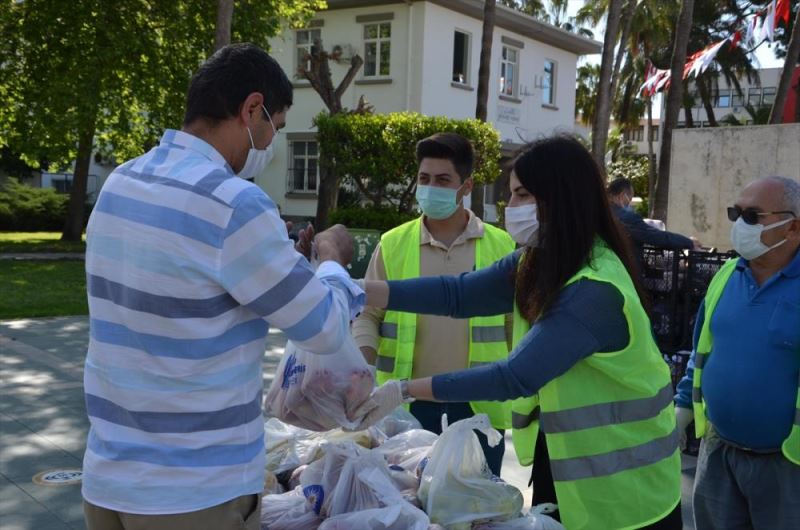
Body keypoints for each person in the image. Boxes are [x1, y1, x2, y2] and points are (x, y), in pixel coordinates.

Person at [81, 43, 364, 530]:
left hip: (108, 479)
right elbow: (324, 329)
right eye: (273, 125)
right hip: (194, 491)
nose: (270, 143)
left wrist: (278, 267)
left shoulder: (121, 181)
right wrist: (332, 264)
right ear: (250, 109)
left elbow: (181, 285)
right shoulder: (233, 203)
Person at [351, 135, 682, 530]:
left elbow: (512, 377)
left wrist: (403, 389)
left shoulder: (594, 289)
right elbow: (460, 293)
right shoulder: (541, 259)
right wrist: (357, 290)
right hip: (566, 467)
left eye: (523, 195)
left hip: (627, 494)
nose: (512, 208)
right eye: (512, 195)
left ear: (559, 197)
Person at [352, 133, 515, 475]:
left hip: (479, 409)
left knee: (474, 517)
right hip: (403, 407)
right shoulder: (392, 244)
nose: (430, 188)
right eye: (424, 179)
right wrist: (363, 369)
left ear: (466, 186)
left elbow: (516, 326)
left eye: (443, 180)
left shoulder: (502, 247)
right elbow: (367, 315)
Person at [674, 176, 800, 530]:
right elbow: (701, 351)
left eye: (751, 215)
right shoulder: (726, 276)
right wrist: (683, 407)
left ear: (793, 227)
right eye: (736, 213)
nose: (738, 224)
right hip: (718, 454)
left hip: (787, 466)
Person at [607, 177, 700, 252]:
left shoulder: (600, 212)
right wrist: (689, 242)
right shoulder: (626, 218)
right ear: (622, 196)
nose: (629, 205)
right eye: (629, 200)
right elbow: (657, 237)